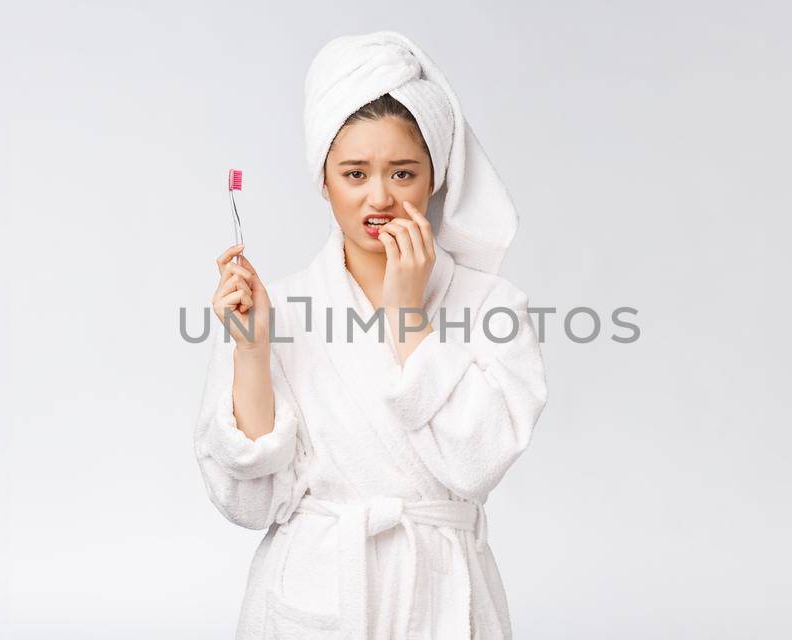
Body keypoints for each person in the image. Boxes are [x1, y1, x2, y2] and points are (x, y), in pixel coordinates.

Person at [193, 31, 548, 639]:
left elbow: (476, 465)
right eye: (354, 173)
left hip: (441, 598)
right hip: (315, 599)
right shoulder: (277, 307)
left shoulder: (492, 305)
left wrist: (408, 318)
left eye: (402, 173)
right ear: (323, 180)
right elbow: (249, 507)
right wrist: (252, 353)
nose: (378, 197)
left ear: (435, 179)